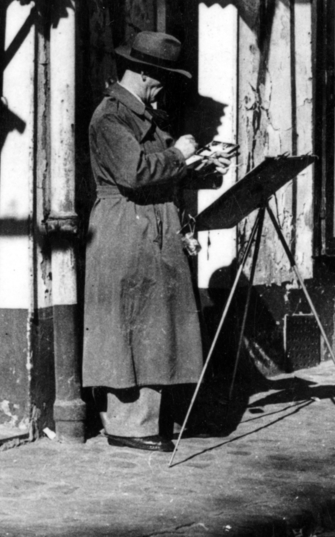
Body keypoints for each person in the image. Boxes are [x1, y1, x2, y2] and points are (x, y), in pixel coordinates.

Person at [82, 31, 232, 451]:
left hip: (152, 224)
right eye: (160, 78)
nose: (162, 88)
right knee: (129, 322)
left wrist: (202, 165)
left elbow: (159, 169)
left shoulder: (143, 116)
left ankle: (147, 420)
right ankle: (128, 426)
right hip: (126, 227)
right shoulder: (110, 117)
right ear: (146, 74)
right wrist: (182, 155)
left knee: (155, 321)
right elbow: (135, 174)